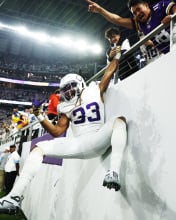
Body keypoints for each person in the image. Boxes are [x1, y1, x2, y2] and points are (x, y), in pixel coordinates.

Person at [0, 54, 127, 214]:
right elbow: (57, 131)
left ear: (80, 83)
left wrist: (116, 57)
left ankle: (113, 172)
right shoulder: (65, 107)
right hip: (77, 143)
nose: (68, 91)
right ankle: (15, 196)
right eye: (65, 89)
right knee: (39, 148)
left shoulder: (95, 90)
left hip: (97, 138)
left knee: (119, 121)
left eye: (71, 86)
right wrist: (40, 116)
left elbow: (109, 72)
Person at [87, 0, 176, 55]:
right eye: (134, 12)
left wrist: (172, 16)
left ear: (146, 5)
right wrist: (100, 10)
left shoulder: (159, 7)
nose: (137, 14)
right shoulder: (139, 24)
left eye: (139, 9)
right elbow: (118, 20)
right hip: (171, 55)